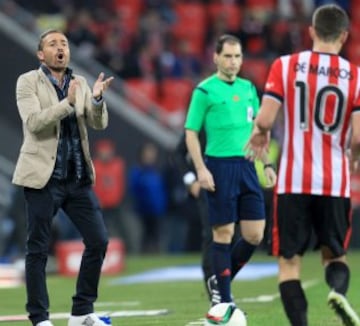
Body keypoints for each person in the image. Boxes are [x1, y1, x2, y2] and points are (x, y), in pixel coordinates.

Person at [246, 4, 360, 326]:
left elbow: (266, 118)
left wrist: (260, 134)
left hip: (294, 179)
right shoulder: (356, 76)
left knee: (289, 264)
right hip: (334, 181)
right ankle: (337, 291)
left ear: (311, 31)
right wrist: (355, 156)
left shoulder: (286, 66)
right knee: (335, 256)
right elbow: (359, 137)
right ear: (344, 36)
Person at [12, 29, 114, 326]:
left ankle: (82, 311)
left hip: (77, 177)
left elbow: (99, 123)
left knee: (98, 241)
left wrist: (95, 101)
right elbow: (34, 123)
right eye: (53, 44)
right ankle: (40, 319)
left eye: (64, 44)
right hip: (44, 178)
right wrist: (67, 104)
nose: (61, 48)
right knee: (38, 249)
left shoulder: (80, 82)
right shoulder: (27, 82)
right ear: (40, 54)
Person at [184, 34, 277, 310]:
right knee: (223, 234)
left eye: (237, 56)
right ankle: (224, 300)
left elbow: (259, 133)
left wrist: (267, 165)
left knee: (255, 235)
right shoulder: (204, 91)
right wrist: (201, 170)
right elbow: (190, 133)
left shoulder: (249, 89)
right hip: (219, 167)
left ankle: (219, 281)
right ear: (215, 57)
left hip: (247, 167)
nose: (233, 61)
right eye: (228, 56)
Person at [93, 139, 126, 239]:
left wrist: (119, 198)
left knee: (121, 227)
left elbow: (121, 183)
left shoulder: (118, 164)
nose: (106, 154)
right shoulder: (95, 166)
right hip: (100, 205)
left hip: (116, 204)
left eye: (108, 152)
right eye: (103, 152)